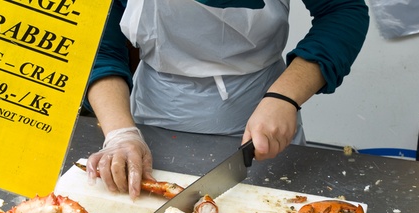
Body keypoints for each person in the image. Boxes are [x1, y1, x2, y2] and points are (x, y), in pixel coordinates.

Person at [85, 0, 369, 199]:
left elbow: (342, 10)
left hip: (262, 117)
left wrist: (285, 97)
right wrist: (121, 134)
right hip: (155, 120)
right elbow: (98, 46)